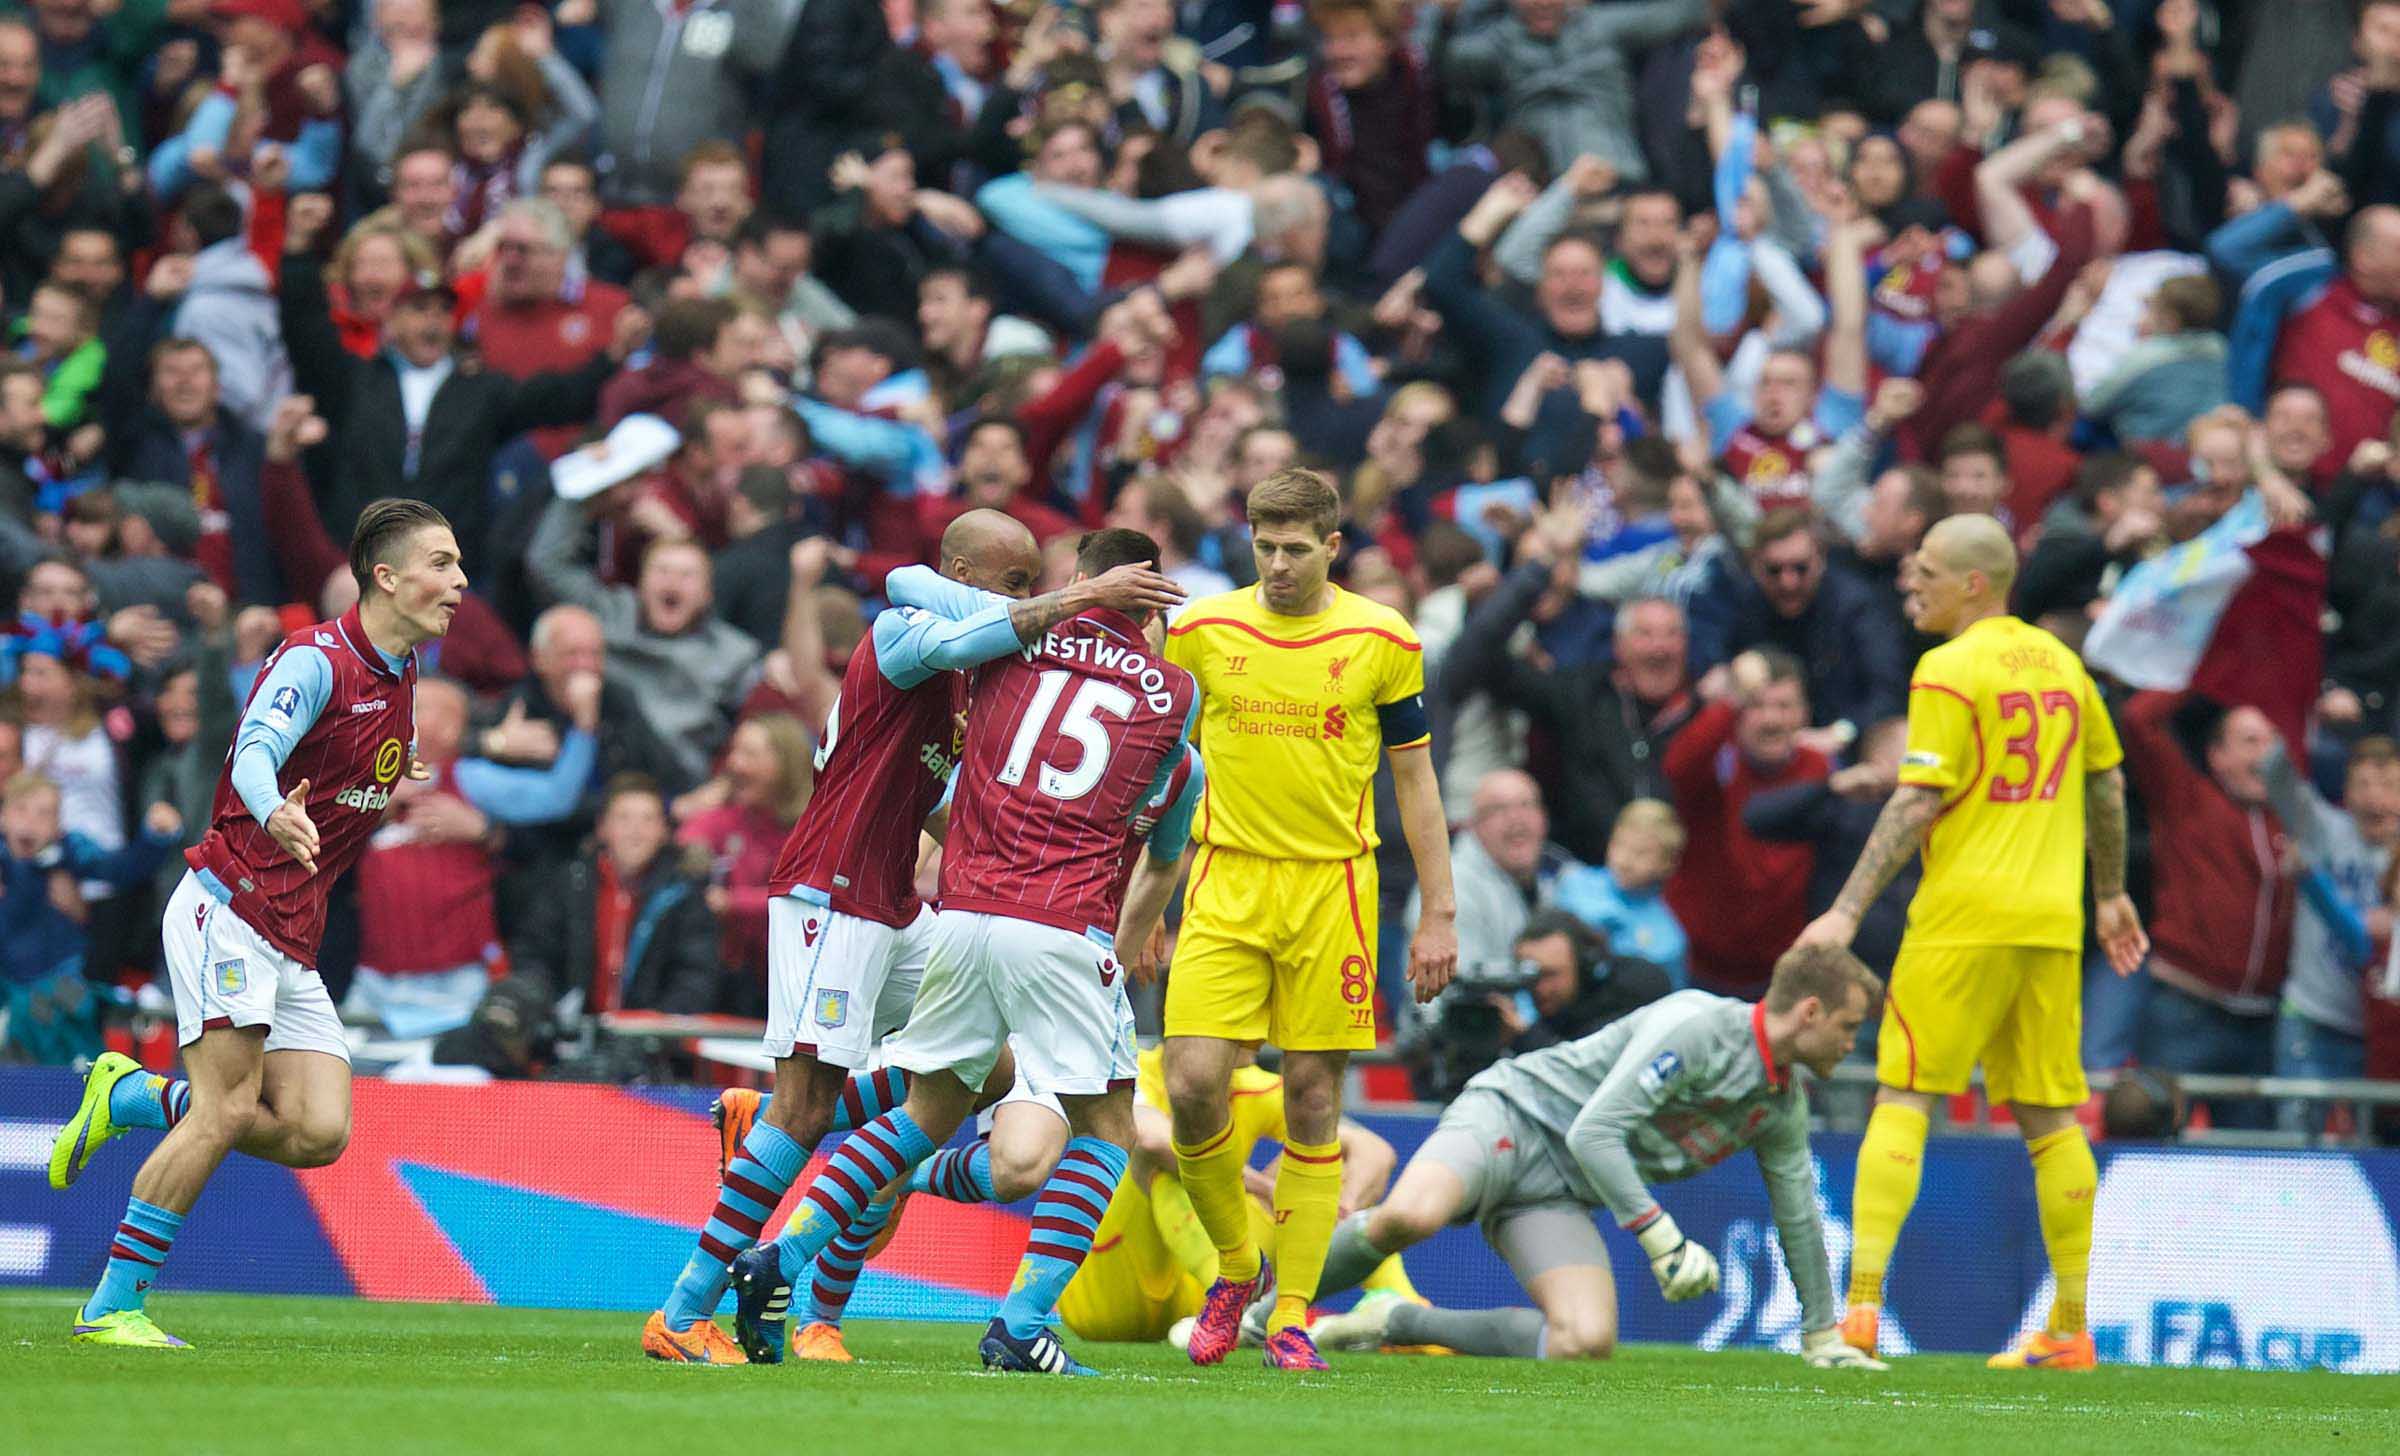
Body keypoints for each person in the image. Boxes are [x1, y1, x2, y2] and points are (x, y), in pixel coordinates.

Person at [639, 513, 1184, 1364]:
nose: (1026, 600)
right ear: (962, 571)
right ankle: (681, 1311)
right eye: (1013, 583)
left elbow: (941, 802)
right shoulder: (906, 633)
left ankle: (780, 1193)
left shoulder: (976, 672)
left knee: (983, 1075)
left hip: (904, 905)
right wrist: (1084, 599)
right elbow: (909, 586)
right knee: (809, 1107)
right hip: (834, 893)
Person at [46, 498, 464, 1347]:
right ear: (386, 576)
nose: (459, 582)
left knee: (317, 1132)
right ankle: (111, 1306)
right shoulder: (315, 659)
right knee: (226, 1108)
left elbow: (357, 753)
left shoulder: (401, 670)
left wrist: (394, 760)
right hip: (228, 908)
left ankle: (128, 1094)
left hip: (289, 930)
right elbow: (254, 753)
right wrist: (273, 811)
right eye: (443, 563)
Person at [1794, 514, 2146, 1372]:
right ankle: (2069, 1325)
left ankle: (1863, 1312)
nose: (1910, 585)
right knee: (2051, 1118)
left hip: (1961, 918)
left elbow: (1918, 800)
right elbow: (2106, 784)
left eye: (1926, 573)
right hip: (2050, 923)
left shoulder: (1947, 669)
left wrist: (1843, 912)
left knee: (1905, 1094)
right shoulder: (2067, 667)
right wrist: (2108, 893)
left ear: (1975, 585)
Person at [1157, 466, 1459, 1370]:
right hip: (1224, 879)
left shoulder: (1383, 637)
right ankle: (1237, 1267)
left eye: (1297, 548)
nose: (1280, 564)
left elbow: (1415, 780)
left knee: (1314, 1101)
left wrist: (1438, 912)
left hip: (1334, 889)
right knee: (1191, 1085)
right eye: (1265, 546)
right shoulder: (1201, 633)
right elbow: (1164, 775)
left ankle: (1290, 1314)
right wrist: (1143, 894)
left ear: (1334, 547)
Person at [1300, 943, 1886, 1371]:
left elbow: (1800, 1217)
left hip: (1556, 1191)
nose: (1853, 1042)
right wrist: (1665, 1242)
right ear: (1809, 1012)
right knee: (1410, 1216)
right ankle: (1262, 1313)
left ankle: (1393, 1320)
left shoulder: (1781, 1104)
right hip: (1512, 1113)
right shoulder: (1698, 1027)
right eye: (1849, 1026)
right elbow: (1595, 1132)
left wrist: (1820, 1335)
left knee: (1584, 1340)